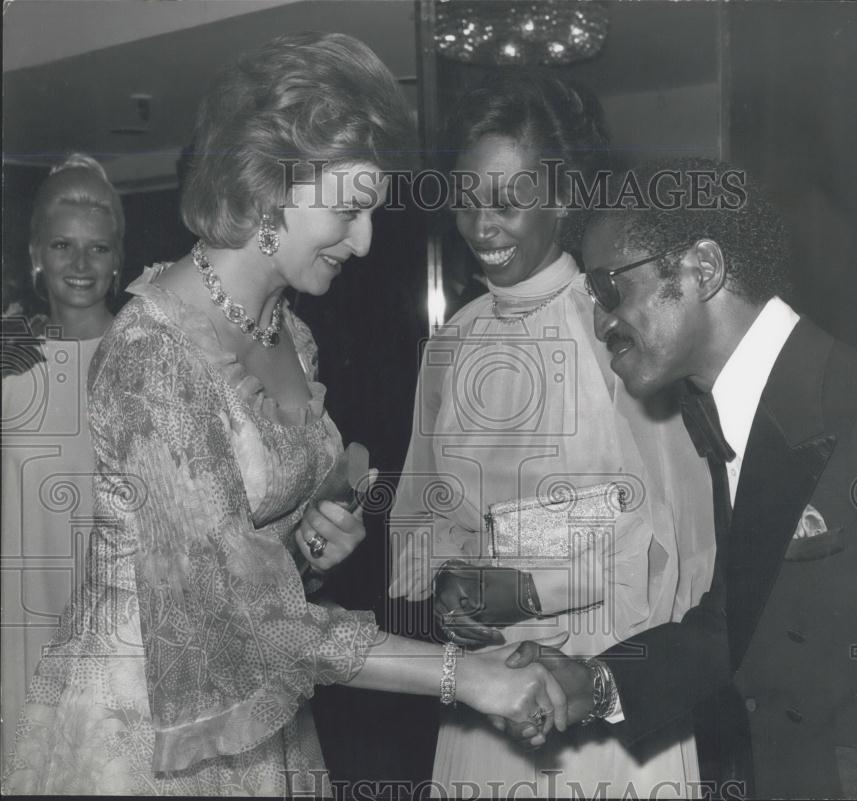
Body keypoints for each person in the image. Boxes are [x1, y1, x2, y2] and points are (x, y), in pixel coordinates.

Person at [0, 34, 570, 796]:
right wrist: (461, 673)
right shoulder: (152, 357)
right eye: (350, 210)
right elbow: (234, 619)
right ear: (269, 189)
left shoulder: (286, 330)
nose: (365, 242)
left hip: (259, 707)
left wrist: (308, 546)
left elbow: (262, 565)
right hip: (151, 732)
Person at [501, 158, 857, 799]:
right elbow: (735, 626)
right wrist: (592, 683)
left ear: (702, 270)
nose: (601, 324)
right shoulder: (729, 415)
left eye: (608, 287)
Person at [389, 75, 714, 798]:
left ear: (562, 196)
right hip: (490, 695)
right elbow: (433, 517)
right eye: (469, 200)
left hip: (603, 699)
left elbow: (663, 537)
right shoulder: (449, 348)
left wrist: (519, 583)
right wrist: (451, 589)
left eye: (508, 200)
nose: (483, 225)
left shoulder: (616, 330)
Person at [1, 154, 124, 757]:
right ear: (35, 255)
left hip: (115, 617)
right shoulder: (8, 354)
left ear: (117, 259)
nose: (79, 265)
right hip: (20, 612)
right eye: (61, 245)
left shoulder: (144, 355)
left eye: (97, 249)